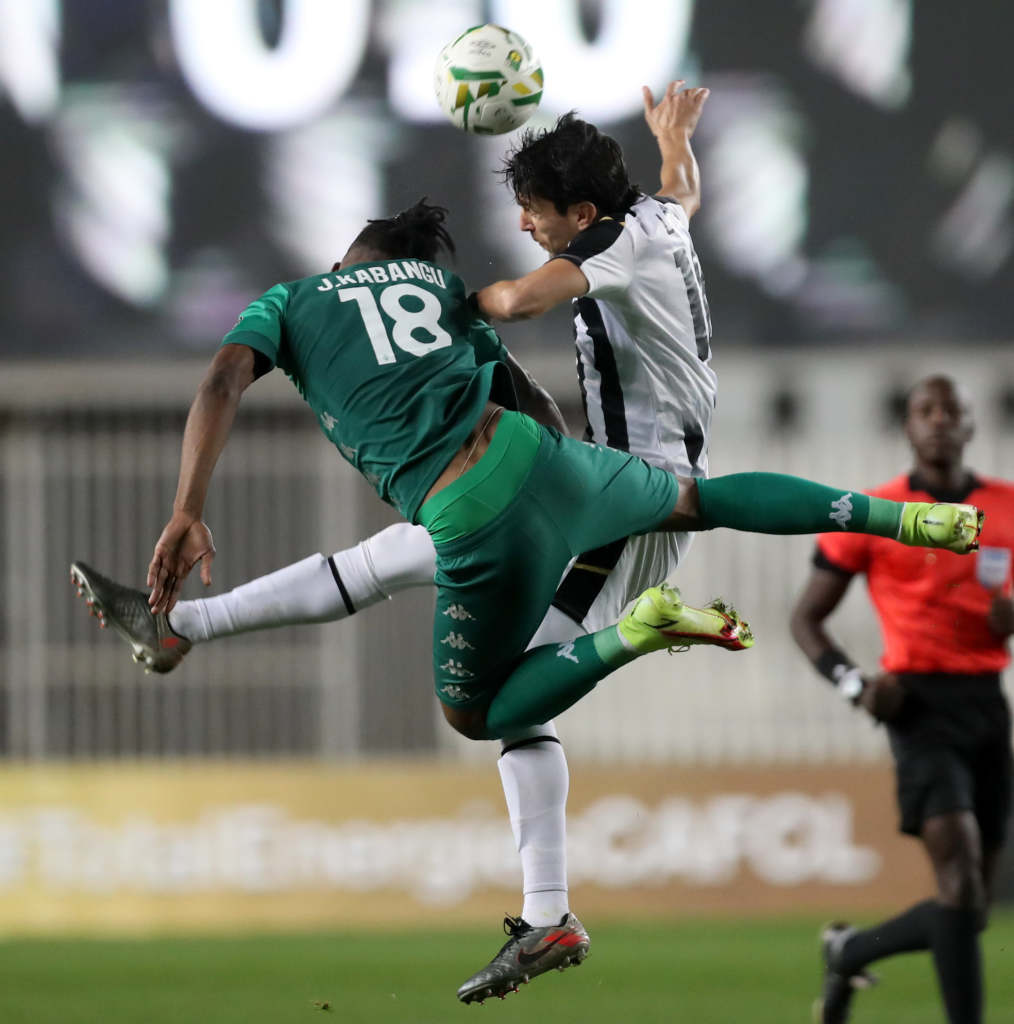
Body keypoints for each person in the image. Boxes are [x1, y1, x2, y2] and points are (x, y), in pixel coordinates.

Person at [70, 94, 982, 1001]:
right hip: (587, 471)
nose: (523, 224)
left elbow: (521, 297)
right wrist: (673, 143)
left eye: (535, 213)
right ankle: (184, 628)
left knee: (502, 702)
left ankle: (561, 873)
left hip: (617, 507)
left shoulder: (604, 249)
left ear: (582, 217)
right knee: (408, 555)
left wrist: (461, 302)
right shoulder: (659, 216)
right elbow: (685, 193)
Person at [790, 375, 1013, 1024]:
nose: (940, 419)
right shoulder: (876, 512)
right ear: (909, 427)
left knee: (968, 910)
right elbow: (806, 620)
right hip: (915, 707)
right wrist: (856, 686)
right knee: (962, 883)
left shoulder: (1005, 506)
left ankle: (849, 950)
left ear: (972, 425)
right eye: (926, 409)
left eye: (954, 410)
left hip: (987, 704)